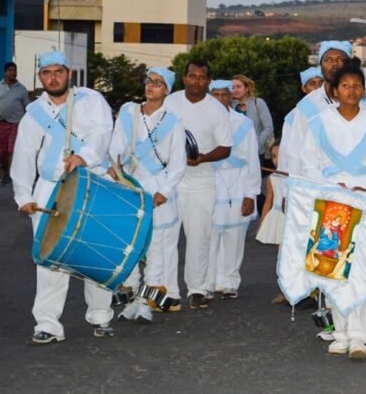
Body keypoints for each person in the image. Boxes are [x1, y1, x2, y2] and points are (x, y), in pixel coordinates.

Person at [11, 51, 115, 344]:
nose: (53, 78)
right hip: (49, 189)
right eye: (47, 73)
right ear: (40, 76)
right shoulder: (33, 114)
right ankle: (47, 323)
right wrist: (23, 196)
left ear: (68, 73)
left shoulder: (91, 100)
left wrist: (85, 155)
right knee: (49, 259)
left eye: (58, 71)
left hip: (91, 181)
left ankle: (100, 315)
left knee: (95, 251)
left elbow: (103, 132)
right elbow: (23, 156)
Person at [300, 63, 366, 360]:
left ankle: (358, 336)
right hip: (332, 202)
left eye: (357, 85)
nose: (352, 91)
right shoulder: (318, 122)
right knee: (334, 269)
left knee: (362, 269)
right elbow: (308, 164)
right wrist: (330, 185)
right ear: (334, 90)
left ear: (364, 90)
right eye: (345, 85)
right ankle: (340, 333)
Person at [109, 67, 187, 320]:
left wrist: (164, 191)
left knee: (156, 248)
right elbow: (116, 147)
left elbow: (178, 162)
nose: (150, 86)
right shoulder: (129, 113)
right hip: (129, 184)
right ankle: (130, 299)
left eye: (157, 82)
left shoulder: (173, 122)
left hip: (157, 186)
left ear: (167, 90)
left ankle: (147, 302)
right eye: (148, 81)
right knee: (130, 246)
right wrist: (117, 174)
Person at [164, 60, 232, 310]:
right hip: (169, 182)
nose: (197, 81)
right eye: (192, 76)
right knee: (166, 237)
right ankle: (168, 290)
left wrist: (202, 157)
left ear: (209, 81)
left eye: (202, 77)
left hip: (201, 181)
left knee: (199, 237)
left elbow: (225, 147)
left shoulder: (217, 109)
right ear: (184, 78)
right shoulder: (169, 103)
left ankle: (197, 289)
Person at [279, 40, 366, 176]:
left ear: (348, 63)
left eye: (340, 59)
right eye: (328, 60)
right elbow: (295, 153)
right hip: (321, 188)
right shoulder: (306, 106)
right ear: (321, 65)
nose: (334, 64)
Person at [206, 80, 261, 299]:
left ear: (232, 97)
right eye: (216, 95)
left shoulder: (243, 124)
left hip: (237, 182)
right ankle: (206, 282)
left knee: (234, 235)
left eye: (224, 95)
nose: (220, 99)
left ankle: (229, 281)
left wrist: (251, 194)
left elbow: (252, 161)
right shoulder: (201, 122)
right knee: (208, 236)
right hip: (209, 182)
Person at [0, 62, 29, 184]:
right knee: (1, 152)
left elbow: (28, 108)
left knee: (12, 150)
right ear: (5, 72)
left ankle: (11, 175)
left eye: (15, 70)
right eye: (10, 70)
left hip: (16, 123)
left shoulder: (21, 89)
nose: (13, 72)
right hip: (0, 123)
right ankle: (6, 171)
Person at [255, 139, 287, 304]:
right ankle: (284, 289)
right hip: (277, 217)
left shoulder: (296, 177)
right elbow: (268, 200)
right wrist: (263, 222)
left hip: (291, 219)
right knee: (281, 256)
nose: (277, 160)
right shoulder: (272, 178)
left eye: (281, 155)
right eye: (274, 156)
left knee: (291, 255)